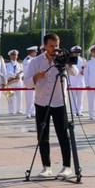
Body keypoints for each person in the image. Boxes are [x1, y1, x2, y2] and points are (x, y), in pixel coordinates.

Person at [28, 33, 74, 178]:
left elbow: (75, 72)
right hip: (42, 102)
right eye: (51, 46)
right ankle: (46, 167)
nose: (55, 49)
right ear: (45, 46)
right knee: (43, 136)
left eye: (57, 45)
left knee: (63, 135)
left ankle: (67, 167)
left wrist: (68, 61)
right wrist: (36, 77)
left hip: (59, 102)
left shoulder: (61, 59)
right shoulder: (35, 61)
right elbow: (26, 82)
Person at [67, 46, 86, 117]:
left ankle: (79, 111)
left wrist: (84, 71)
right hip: (72, 81)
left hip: (81, 81)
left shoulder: (83, 60)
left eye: (78, 52)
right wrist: (68, 82)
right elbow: (68, 71)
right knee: (73, 98)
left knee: (80, 98)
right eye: (75, 52)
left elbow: (85, 70)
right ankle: (73, 111)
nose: (77, 53)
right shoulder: (69, 60)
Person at [4, 49, 24, 115]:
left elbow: (22, 72)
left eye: (15, 55)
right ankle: (11, 110)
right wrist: (13, 76)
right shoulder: (6, 65)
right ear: (10, 56)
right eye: (12, 55)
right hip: (10, 83)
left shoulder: (20, 64)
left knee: (19, 97)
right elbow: (5, 73)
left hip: (18, 83)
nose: (14, 56)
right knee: (10, 97)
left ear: (17, 56)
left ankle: (19, 110)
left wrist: (19, 76)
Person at [21, 45, 39, 118]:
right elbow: (27, 72)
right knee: (29, 98)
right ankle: (28, 113)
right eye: (35, 52)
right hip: (30, 80)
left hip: (35, 81)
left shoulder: (34, 59)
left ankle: (33, 112)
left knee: (35, 98)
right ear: (32, 52)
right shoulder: (27, 60)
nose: (36, 53)